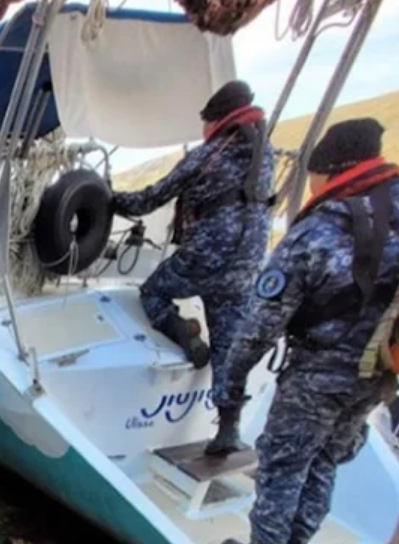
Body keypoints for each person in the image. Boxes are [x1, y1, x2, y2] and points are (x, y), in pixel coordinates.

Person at [215, 118, 399, 544]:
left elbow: (261, 323)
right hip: (379, 372)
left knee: (284, 463)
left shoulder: (320, 229)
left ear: (329, 169)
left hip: (320, 372)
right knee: (323, 462)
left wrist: (232, 379)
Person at [110, 80, 276, 456]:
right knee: (228, 344)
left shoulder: (209, 154)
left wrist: (110, 200)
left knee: (153, 291)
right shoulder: (265, 152)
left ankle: (183, 332)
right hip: (246, 265)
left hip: (205, 257)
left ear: (214, 120)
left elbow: (152, 198)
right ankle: (229, 428)